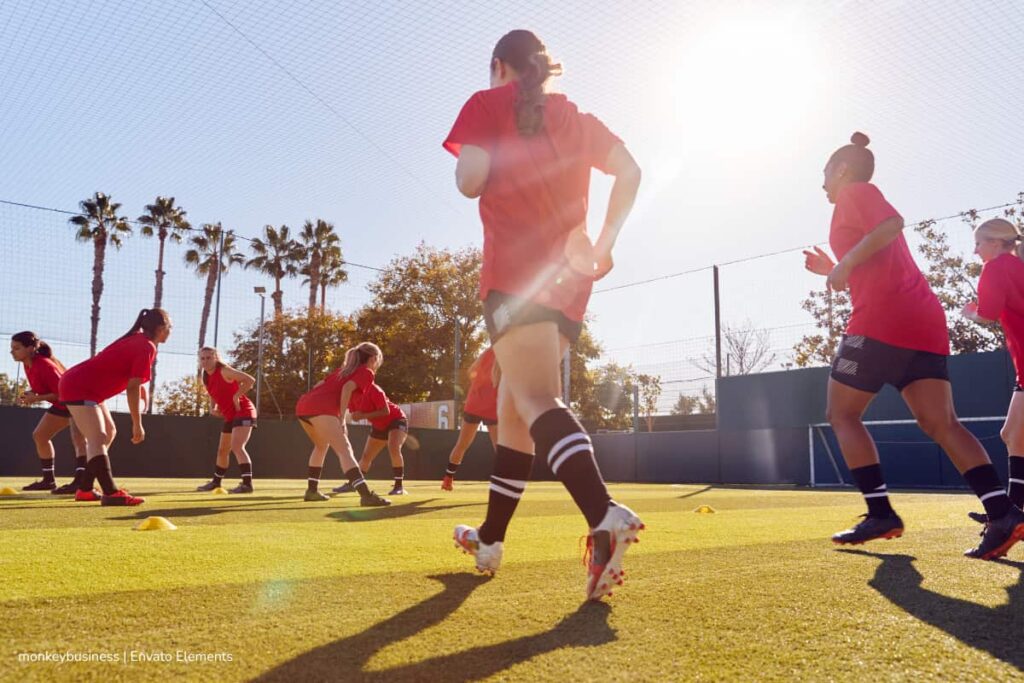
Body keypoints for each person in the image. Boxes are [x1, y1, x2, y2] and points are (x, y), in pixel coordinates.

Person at [443, 29, 644, 600]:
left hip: (513, 276)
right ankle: (489, 539)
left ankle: (604, 514)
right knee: (514, 409)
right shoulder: (578, 117)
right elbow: (630, 172)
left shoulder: (486, 104)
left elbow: (469, 180)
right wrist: (604, 242)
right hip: (569, 280)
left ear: (499, 66)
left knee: (534, 399)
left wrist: (482, 159)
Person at [803, 133, 1024, 559]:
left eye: (826, 173)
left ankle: (880, 512)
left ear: (843, 170)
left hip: (882, 321)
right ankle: (1002, 513)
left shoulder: (856, 192)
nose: (823, 184)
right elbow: (877, 261)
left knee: (842, 413)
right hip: (923, 322)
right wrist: (836, 268)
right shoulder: (855, 203)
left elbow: (891, 225)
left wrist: (844, 264)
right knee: (941, 424)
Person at [58, 308, 171, 506]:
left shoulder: (138, 340)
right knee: (98, 437)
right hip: (79, 386)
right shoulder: (146, 346)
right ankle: (110, 493)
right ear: (161, 328)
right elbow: (132, 387)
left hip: (88, 388)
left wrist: (137, 387)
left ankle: (85, 489)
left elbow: (128, 377)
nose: (170, 331)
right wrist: (137, 424)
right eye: (169, 327)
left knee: (108, 433)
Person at [961, 218, 1024, 522]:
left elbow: (986, 313)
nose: (975, 251)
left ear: (997, 243)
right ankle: (1014, 511)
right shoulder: (1017, 266)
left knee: (1014, 434)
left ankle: (1011, 515)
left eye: (979, 243)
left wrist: (970, 312)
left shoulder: (997, 267)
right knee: (1013, 434)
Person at [295, 342, 390, 506]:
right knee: (345, 450)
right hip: (322, 409)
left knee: (321, 446)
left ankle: (312, 491)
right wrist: (341, 418)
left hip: (303, 407)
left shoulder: (342, 371)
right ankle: (366, 495)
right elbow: (347, 388)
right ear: (373, 358)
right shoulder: (366, 372)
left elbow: (319, 385)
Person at [10, 331, 87, 494]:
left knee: (79, 440)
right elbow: (44, 389)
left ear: (30, 348)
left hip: (76, 400)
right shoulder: (27, 364)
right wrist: (29, 395)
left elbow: (63, 392)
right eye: (12, 348)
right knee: (40, 435)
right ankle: (48, 481)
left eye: (16, 348)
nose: (12, 352)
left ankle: (81, 482)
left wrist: (36, 398)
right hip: (62, 404)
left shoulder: (44, 364)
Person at [196, 347, 257, 494]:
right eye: (202, 358)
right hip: (230, 415)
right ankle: (216, 483)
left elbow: (249, 380)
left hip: (244, 411)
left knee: (237, 447)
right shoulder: (206, 376)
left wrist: (236, 396)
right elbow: (212, 392)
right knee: (222, 451)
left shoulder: (224, 371)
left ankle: (247, 485)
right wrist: (212, 407)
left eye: (209, 358)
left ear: (216, 357)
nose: (205, 361)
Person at [442, 347, 499, 491]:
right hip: (492, 405)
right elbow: (498, 380)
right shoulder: (507, 352)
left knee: (461, 444)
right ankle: (502, 483)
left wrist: (477, 386)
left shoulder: (488, 351)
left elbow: (470, 371)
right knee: (499, 448)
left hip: (474, 403)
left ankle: (448, 479)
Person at [351, 381, 410, 496]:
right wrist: (355, 416)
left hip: (396, 419)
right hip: (379, 425)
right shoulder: (350, 394)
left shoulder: (374, 389)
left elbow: (385, 411)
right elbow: (354, 413)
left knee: (393, 448)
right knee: (366, 456)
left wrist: (362, 416)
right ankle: (353, 484)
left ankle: (399, 487)